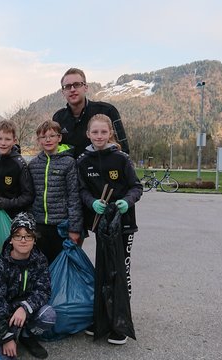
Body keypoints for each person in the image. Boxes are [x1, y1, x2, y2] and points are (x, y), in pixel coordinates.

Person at [76, 114, 142, 345]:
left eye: (103, 132)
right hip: (102, 224)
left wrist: (128, 201)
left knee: (120, 271)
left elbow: (136, 187)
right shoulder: (83, 161)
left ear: (110, 134)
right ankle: (103, 319)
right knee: (103, 271)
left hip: (123, 225)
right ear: (88, 134)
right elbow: (82, 191)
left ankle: (120, 322)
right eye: (95, 132)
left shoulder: (122, 158)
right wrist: (91, 202)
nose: (99, 136)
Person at [0, 212, 56, 360]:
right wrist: (6, 337)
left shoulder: (40, 259)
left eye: (28, 236)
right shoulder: (1, 264)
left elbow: (44, 290)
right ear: (11, 240)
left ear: (34, 240)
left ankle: (27, 335)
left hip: (27, 311)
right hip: (7, 317)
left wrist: (25, 308)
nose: (23, 240)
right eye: (18, 236)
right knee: (3, 357)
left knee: (48, 315)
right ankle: (9, 335)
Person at [27, 120, 83, 265]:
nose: (48, 140)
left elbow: (74, 197)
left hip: (61, 226)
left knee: (60, 268)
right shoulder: (33, 164)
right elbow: (29, 196)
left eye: (52, 136)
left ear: (59, 138)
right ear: (38, 140)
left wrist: (74, 229)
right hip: (39, 225)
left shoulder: (69, 162)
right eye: (43, 137)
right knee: (41, 267)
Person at [53, 67, 129, 158]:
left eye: (77, 84)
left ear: (86, 87)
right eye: (68, 86)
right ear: (63, 92)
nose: (72, 89)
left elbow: (123, 148)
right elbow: (54, 150)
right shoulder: (58, 118)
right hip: (70, 171)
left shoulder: (107, 111)